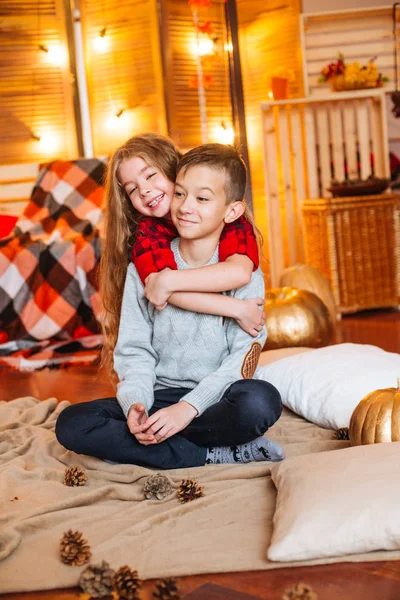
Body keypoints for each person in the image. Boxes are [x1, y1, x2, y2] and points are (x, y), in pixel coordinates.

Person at [55, 143, 283, 470]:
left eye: (201, 198)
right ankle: (210, 454)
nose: (186, 206)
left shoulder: (242, 263)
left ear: (230, 211)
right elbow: (134, 350)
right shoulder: (144, 263)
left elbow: (241, 360)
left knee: (260, 401)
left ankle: (157, 445)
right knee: (72, 422)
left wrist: (187, 409)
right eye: (180, 195)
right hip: (159, 395)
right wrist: (136, 404)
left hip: (215, 398)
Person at [99, 133, 266, 379]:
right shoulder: (147, 235)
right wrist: (237, 309)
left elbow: (239, 272)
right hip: (170, 365)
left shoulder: (230, 220)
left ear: (173, 169)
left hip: (219, 362)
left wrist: (169, 281)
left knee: (258, 397)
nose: (144, 190)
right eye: (133, 189)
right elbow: (159, 292)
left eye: (150, 175)